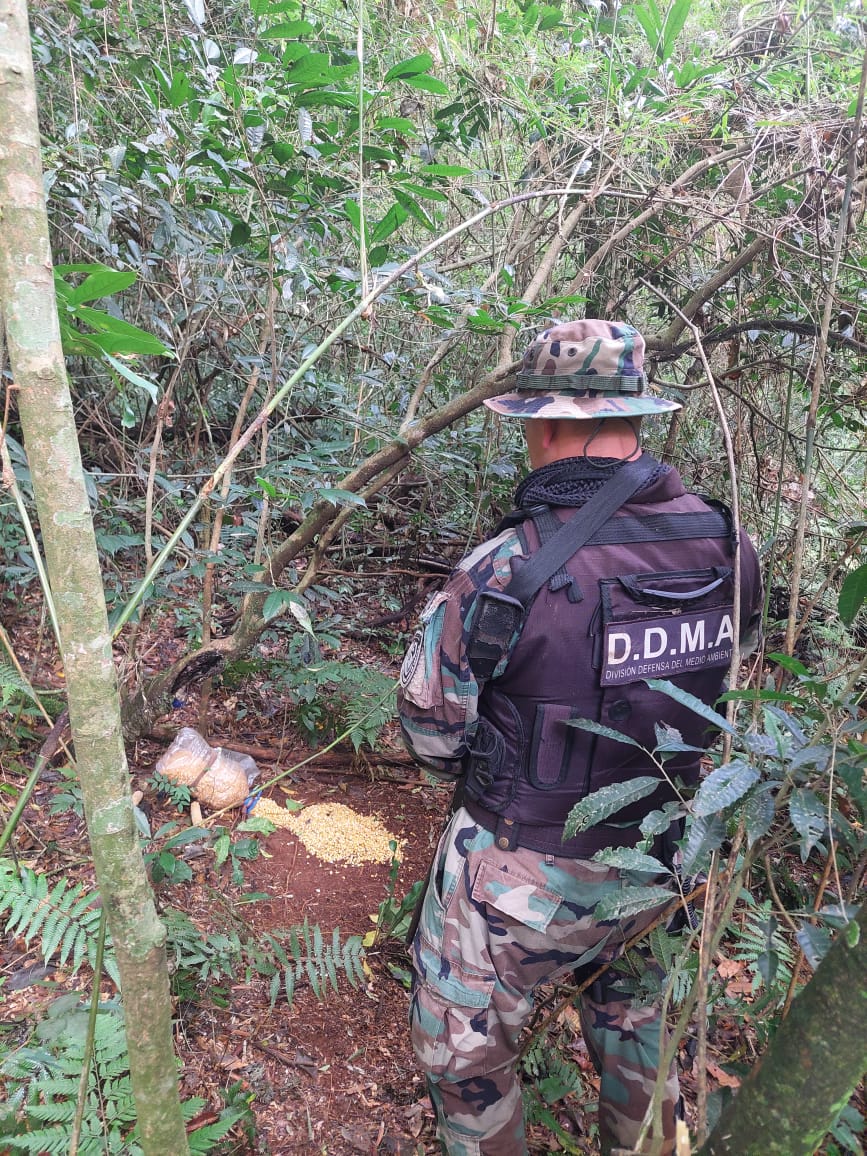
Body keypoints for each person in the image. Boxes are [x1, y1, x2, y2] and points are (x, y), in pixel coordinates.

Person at [397, 319, 762, 1156]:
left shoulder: (508, 565)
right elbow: (721, 681)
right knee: (640, 1030)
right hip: (660, 858)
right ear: (636, 414)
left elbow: (428, 730)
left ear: (547, 422)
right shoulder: (725, 540)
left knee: (464, 1055)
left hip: (519, 870)